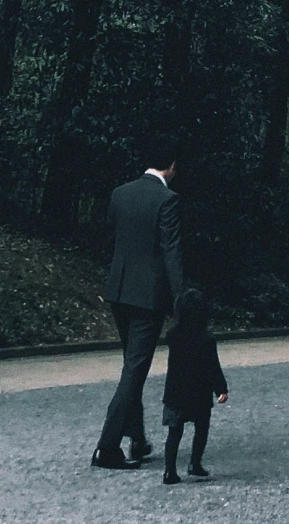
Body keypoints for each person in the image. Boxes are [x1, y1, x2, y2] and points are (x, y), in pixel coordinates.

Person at [92, 133, 186, 471]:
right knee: (135, 369)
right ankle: (107, 446)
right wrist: (181, 299)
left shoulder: (120, 194)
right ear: (172, 166)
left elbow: (111, 238)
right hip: (149, 296)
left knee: (130, 365)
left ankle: (136, 437)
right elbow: (171, 253)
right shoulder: (167, 200)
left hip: (119, 289)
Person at [160, 287, 228, 484]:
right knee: (201, 429)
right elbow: (213, 367)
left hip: (175, 391)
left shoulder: (173, 335)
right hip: (199, 393)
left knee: (174, 432)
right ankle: (195, 463)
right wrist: (221, 388)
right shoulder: (207, 340)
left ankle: (169, 470)